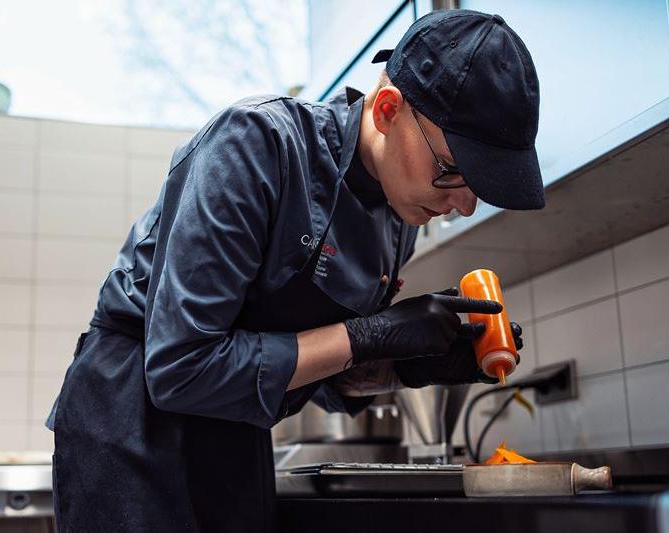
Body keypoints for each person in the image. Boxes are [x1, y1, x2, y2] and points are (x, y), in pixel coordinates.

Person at [47, 9, 544, 533]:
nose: (463, 206)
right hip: (133, 418)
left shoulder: (402, 219)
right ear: (387, 110)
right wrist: (368, 335)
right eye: (450, 170)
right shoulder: (257, 143)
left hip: (235, 434)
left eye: (478, 186)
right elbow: (180, 368)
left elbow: (316, 376)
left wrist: (411, 365)